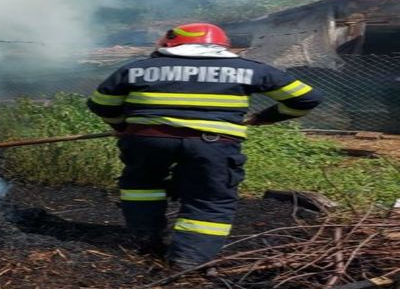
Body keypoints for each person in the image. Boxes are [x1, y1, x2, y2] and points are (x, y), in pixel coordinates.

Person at [87, 22, 322, 270]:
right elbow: (306, 98)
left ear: (169, 43)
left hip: (148, 139)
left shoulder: (137, 68)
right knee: (210, 199)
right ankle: (188, 260)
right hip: (213, 143)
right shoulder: (250, 69)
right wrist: (264, 118)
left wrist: (121, 126)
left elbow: (101, 104)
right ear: (222, 45)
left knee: (142, 186)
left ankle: (145, 240)